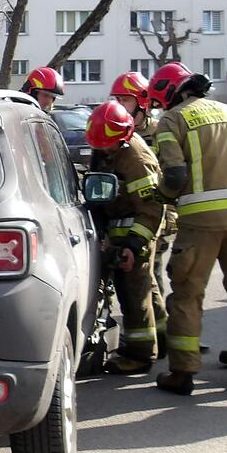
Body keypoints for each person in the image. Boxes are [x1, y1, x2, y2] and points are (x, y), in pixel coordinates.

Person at [149, 62, 227, 395]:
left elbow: (174, 177)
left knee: (188, 297)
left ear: (167, 92)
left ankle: (183, 373)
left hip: (200, 224)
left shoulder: (171, 120)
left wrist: (158, 194)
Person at [85, 101, 166, 374]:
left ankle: (140, 355)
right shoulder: (108, 149)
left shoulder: (137, 160)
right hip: (121, 231)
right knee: (147, 290)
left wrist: (134, 244)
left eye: (107, 145)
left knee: (134, 295)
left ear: (123, 137)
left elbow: (152, 209)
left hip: (137, 233)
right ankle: (162, 340)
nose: (103, 149)